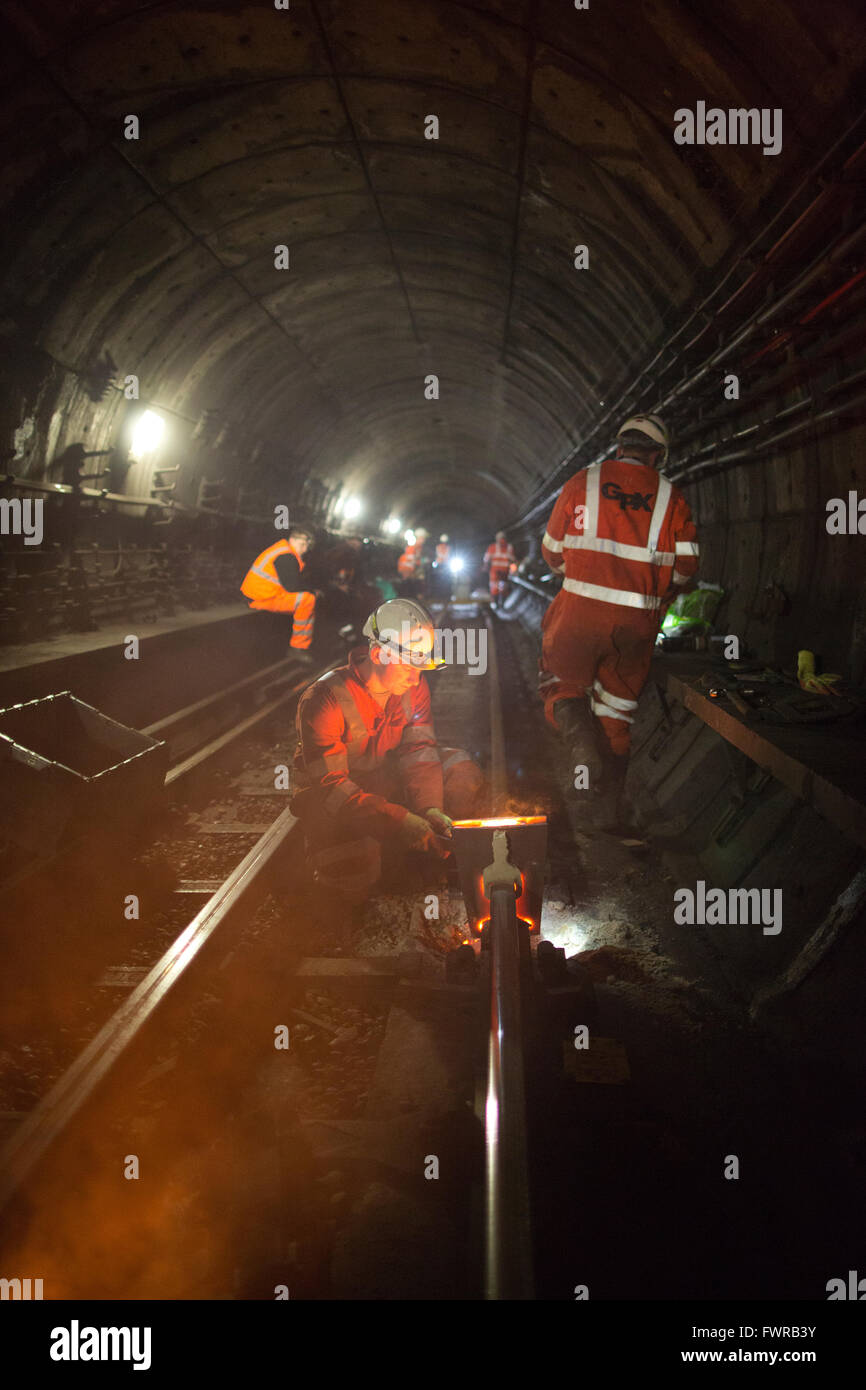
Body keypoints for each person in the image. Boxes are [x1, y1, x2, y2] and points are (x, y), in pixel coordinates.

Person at [539, 413, 699, 829]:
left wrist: (579, 572)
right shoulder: (671, 497)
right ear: (658, 454)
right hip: (635, 626)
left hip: (577, 614)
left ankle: (581, 749)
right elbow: (686, 566)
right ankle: (606, 816)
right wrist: (659, 592)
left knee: (562, 684)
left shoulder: (583, 482)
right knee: (616, 715)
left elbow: (552, 550)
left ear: (620, 444)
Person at [291, 598, 484, 904]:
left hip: (388, 779)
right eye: (409, 666)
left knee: (460, 766)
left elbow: (419, 750)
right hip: (346, 795)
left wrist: (429, 807)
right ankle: (365, 866)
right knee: (352, 880)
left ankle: (433, 849)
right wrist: (400, 821)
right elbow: (333, 788)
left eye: (422, 667)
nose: (416, 678)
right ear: (378, 653)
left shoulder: (413, 687)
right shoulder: (324, 699)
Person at [240, 525, 318, 659]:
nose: (305, 549)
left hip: (259, 594)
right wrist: (313, 591)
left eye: (307, 546)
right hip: (261, 598)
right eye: (302, 544)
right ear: (292, 539)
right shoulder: (286, 556)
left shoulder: (281, 549)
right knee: (308, 600)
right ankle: (298, 647)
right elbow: (292, 586)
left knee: (304, 597)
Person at [483, 531, 516, 604]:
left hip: (498, 572)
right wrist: (513, 571)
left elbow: (486, 560)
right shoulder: (509, 547)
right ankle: (500, 604)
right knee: (501, 588)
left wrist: (485, 567)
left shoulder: (492, 547)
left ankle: (497, 604)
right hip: (502, 572)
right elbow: (513, 562)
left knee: (496, 588)